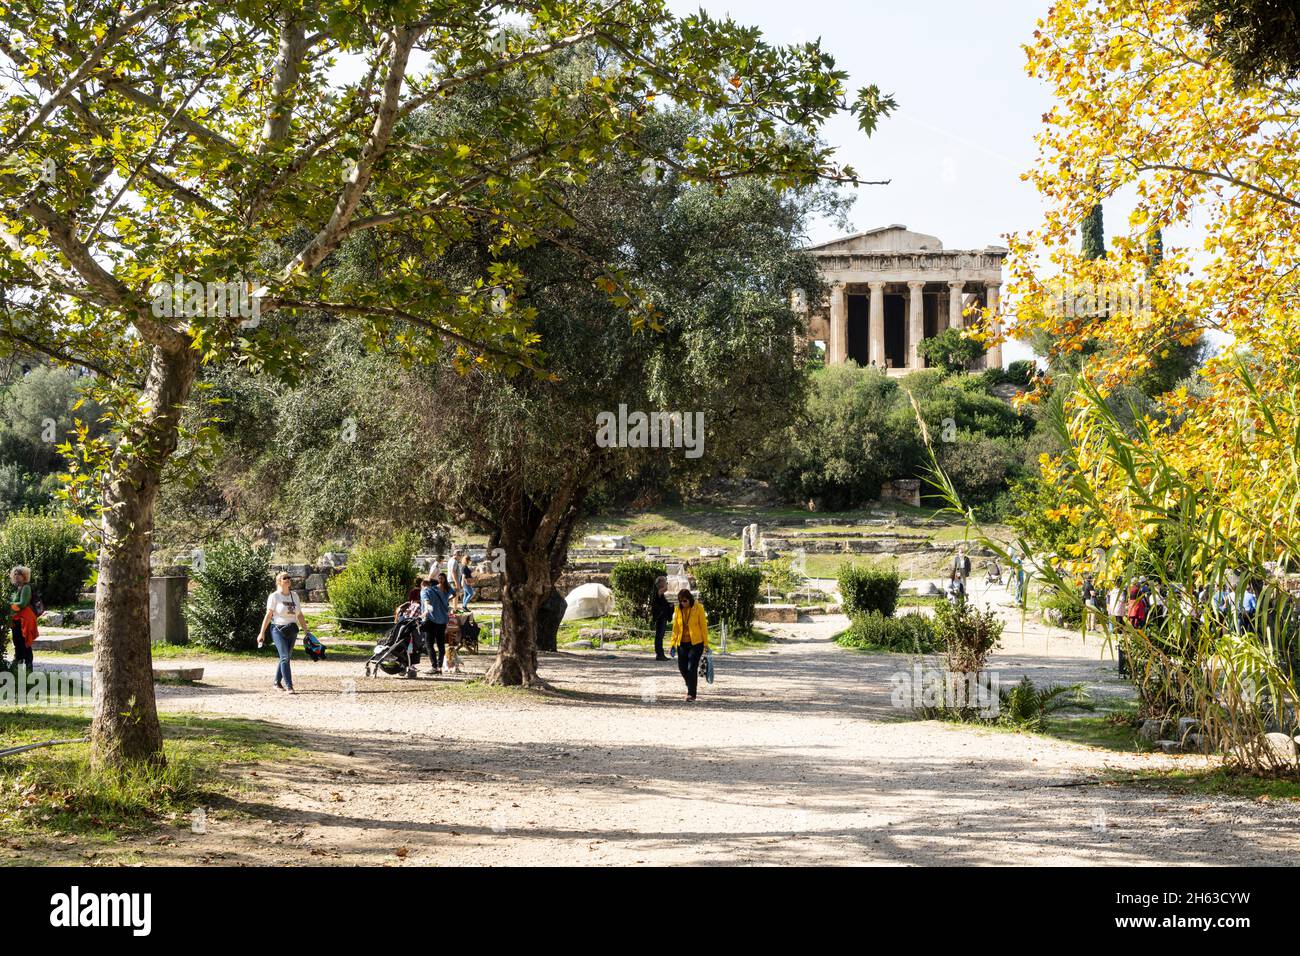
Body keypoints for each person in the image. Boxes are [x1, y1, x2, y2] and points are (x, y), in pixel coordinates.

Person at [257, 571, 308, 694]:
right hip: (278, 629)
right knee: (285, 657)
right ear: (279, 581)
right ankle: (289, 686)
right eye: (285, 578)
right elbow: (268, 615)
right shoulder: (274, 596)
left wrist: (307, 631)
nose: (288, 579)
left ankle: (276, 682)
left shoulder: (294, 595)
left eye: (289, 577)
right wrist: (262, 632)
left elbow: (300, 615)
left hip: (292, 630)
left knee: (286, 657)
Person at [670, 589, 709, 702]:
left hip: (696, 643)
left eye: (685, 600)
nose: (683, 603)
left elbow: (703, 627)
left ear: (690, 599)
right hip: (681, 643)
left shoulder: (698, 608)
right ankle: (690, 685)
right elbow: (675, 628)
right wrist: (672, 643)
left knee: (691, 667)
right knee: (682, 668)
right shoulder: (678, 609)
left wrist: (706, 643)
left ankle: (691, 694)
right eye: (680, 601)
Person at [421, 571, 452, 676]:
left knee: (429, 645)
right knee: (441, 645)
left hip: (431, 620)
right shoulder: (440, 591)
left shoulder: (425, 591)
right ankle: (439, 667)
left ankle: (434, 667)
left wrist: (426, 610)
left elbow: (426, 602)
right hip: (442, 621)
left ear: (424, 585)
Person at [8, 566, 37, 671]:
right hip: (17, 620)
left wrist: (9, 604)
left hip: (25, 620)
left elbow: (23, 603)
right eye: (15, 574)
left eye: (18, 574)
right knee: (17, 642)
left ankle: (29, 667)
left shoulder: (26, 587)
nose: (16, 576)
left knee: (25, 643)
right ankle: (18, 666)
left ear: (24, 576)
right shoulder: (17, 588)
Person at [651, 575, 672, 661]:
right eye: (664, 581)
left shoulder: (660, 592)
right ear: (660, 583)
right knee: (659, 635)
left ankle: (660, 653)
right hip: (660, 616)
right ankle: (659, 654)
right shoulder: (658, 591)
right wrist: (670, 582)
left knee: (660, 635)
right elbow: (666, 589)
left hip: (662, 616)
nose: (665, 582)